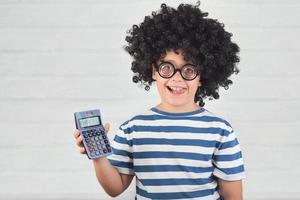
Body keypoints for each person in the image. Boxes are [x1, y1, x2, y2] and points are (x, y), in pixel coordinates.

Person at [74, 2, 245, 199]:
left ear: (202, 76)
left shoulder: (220, 131)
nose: (177, 78)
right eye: (167, 68)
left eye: (189, 69)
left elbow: (233, 196)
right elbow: (114, 188)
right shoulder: (133, 129)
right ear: (154, 71)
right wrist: (98, 157)